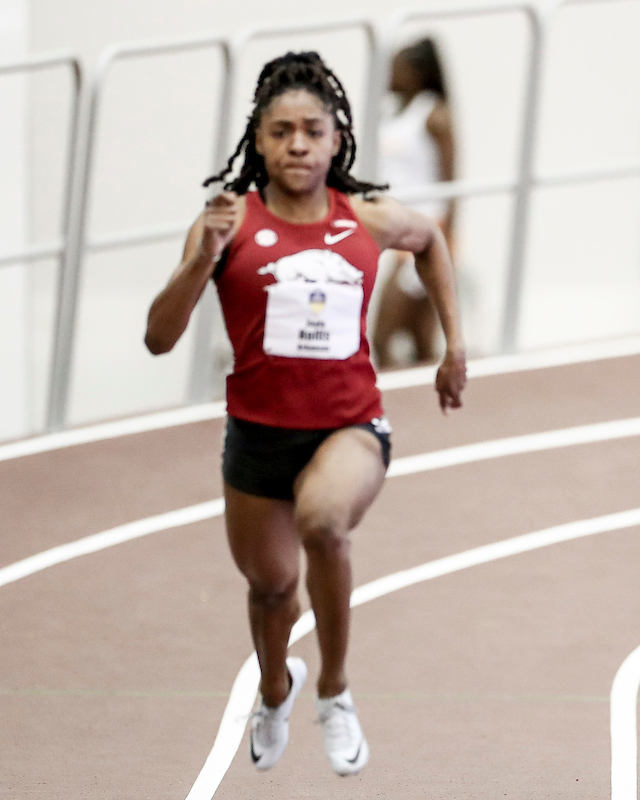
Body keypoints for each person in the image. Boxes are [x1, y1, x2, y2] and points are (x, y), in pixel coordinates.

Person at [143, 51, 466, 777]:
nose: (297, 145)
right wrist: (205, 259)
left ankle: (335, 689)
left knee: (324, 522)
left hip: (349, 424)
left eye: (311, 131)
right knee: (271, 588)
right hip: (257, 436)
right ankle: (274, 686)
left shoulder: (367, 216)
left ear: (335, 140)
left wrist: (455, 347)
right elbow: (159, 338)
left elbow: (431, 240)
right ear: (258, 140)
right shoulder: (224, 223)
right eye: (281, 131)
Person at [373, 37, 456, 368]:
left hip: (422, 232)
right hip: (390, 228)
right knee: (422, 342)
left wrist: (447, 242)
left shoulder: (434, 114)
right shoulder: (390, 114)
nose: (390, 75)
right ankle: (438, 410)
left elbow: (454, 182)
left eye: (398, 68)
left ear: (418, 73)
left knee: (383, 335)